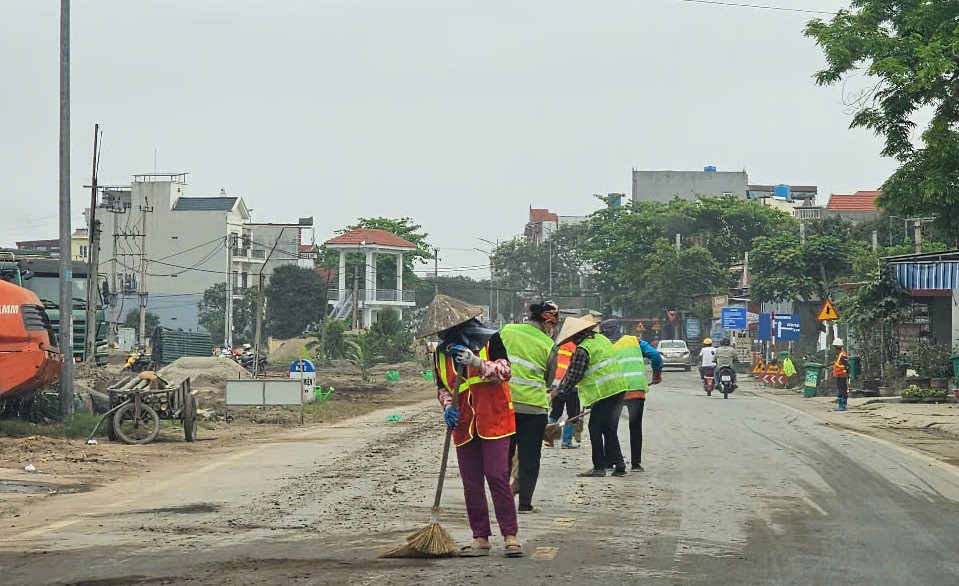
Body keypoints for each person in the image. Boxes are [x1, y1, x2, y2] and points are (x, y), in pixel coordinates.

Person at [427, 294, 523, 558]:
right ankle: (480, 537)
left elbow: (505, 372)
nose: (443, 332)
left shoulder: (490, 340)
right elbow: (442, 388)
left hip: (494, 418)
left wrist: (477, 363)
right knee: (471, 482)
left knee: (496, 475)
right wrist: (447, 407)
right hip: (464, 423)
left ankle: (510, 534)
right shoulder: (440, 353)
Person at [499, 301, 559, 514]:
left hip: (504, 405)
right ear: (547, 321)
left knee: (504, 454)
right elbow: (548, 379)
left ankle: (502, 501)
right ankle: (524, 503)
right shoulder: (549, 345)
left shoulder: (507, 330)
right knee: (530, 457)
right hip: (533, 409)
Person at [553, 317, 629, 477]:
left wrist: (559, 395)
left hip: (604, 392)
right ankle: (619, 465)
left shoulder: (583, 350)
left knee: (594, 427)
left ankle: (599, 467)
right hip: (619, 388)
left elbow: (574, 376)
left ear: (576, 335)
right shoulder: (602, 339)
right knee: (609, 428)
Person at [599, 319, 663, 472]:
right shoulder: (635, 341)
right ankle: (635, 464)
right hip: (636, 389)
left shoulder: (604, 345)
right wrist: (656, 374)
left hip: (615, 391)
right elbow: (655, 356)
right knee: (635, 427)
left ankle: (610, 461)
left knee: (610, 428)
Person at [546, 339, 582, 448]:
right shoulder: (578, 347)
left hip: (556, 384)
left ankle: (548, 438)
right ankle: (566, 442)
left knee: (555, 412)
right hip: (571, 385)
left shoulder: (559, 345)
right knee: (572, 414)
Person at [832, 338, 850, 412]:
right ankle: (840, 405)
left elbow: (847, 366)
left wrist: (848, 374)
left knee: (842, 390)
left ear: (837, 347)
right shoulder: (840, 355)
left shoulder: (842, 355)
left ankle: (843, 405)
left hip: (842, 376)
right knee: (840, 390)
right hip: (839, 375)